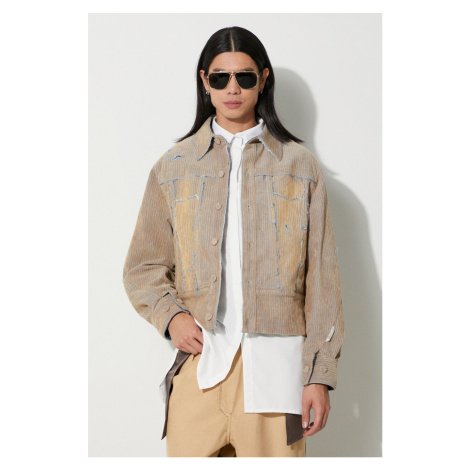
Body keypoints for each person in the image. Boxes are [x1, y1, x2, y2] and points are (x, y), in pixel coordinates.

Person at [122, 26, 344, 458]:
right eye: (220, 77)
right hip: (200, 370)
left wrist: (318, 376)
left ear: (263, 80)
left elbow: (324, 282)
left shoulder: (300, 167)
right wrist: (172, 317)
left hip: (278, 376)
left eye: (244, 76)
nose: (233, 88)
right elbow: (142, 267)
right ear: (204, 82)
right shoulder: (173, 167)